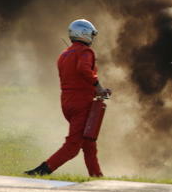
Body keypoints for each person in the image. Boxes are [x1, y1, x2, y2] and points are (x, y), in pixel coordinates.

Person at [26, 19, 110, 177]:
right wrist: (98, 86)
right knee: (73, 146)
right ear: (84, 33)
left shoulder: (64, 54)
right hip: (81, 103)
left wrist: (94, 89)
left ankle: (96, 176)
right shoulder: (86, 52)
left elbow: (74, 78)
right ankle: (42, 171)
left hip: (67, 103)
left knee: (89, 143)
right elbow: (83, 69)